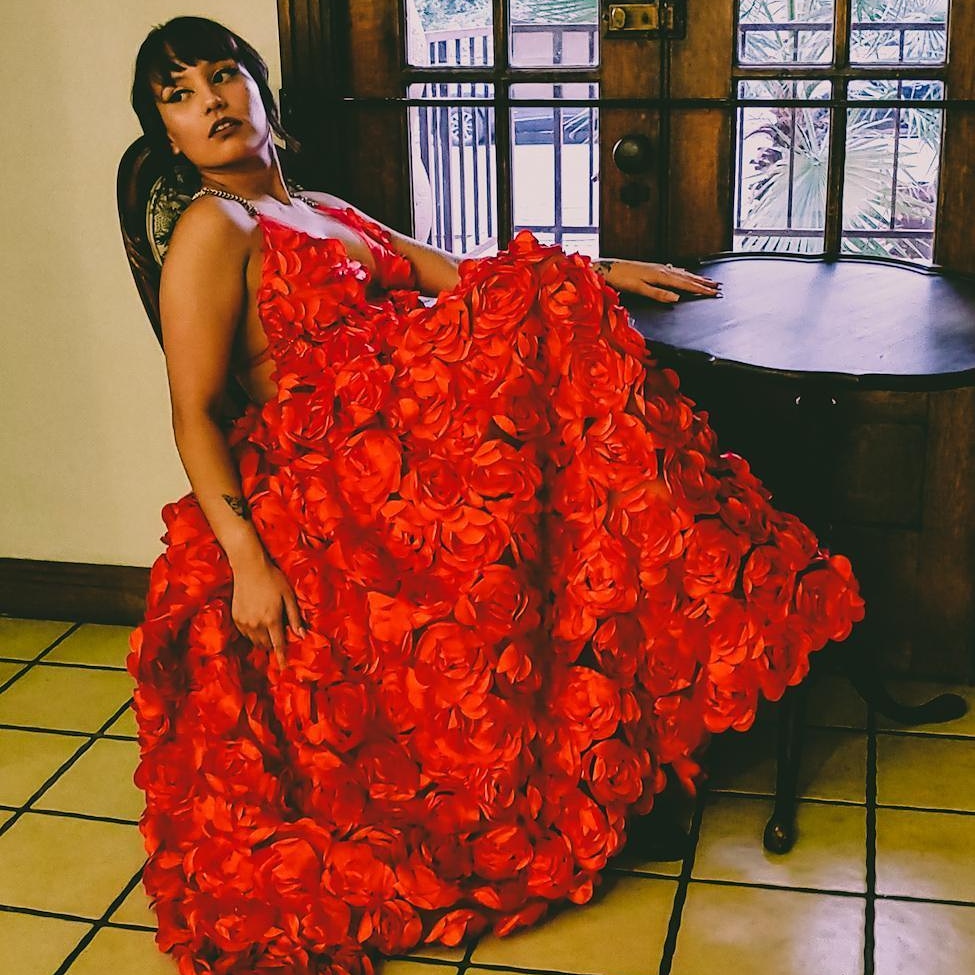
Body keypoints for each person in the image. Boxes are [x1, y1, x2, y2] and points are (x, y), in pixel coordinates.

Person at [127, 16, 864, 975]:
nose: (212, 102)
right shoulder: (210, 228)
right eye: (180, 95)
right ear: (170, 137)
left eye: (224, 76)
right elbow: (191, 413)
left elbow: (458, 275)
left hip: (395, 438)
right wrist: (248, 563)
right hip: (325, 474)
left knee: (545, 312)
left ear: (262, 92)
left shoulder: (327, 211)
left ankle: (665, 654)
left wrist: (599, 274)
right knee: (537, 336)